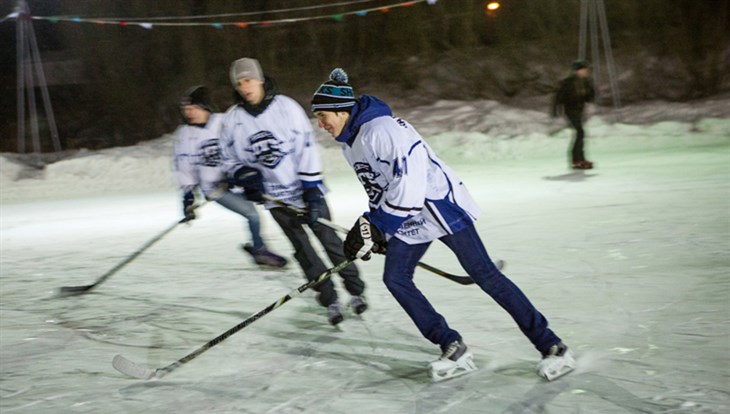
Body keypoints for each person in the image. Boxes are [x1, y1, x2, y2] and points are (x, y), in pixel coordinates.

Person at [311, 68, 575, 382]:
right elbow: (379, 187)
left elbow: (410, 181)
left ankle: (552, 346)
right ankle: (451, 344)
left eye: (323, 115)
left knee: (485, 275)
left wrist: (379, 224)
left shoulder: (381, 130)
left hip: (438, 206)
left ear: (343, 111)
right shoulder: (351, 144)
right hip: (406, 217)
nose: (321, 123)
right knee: (396, 279)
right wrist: (381, 230)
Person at [220, 58, 367, 325]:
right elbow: (228, 158)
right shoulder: (232, 120)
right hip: (275, 199)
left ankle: (355, 291)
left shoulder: (286, 108)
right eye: (240, 82)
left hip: (303, 191)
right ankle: (329, 298)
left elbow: (306, 147)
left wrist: (311, 189)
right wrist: (244, 176)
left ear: (260, 79)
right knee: (303, 250)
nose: (245, 86)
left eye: (249, 80)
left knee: (330, 242)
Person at [173, 85, 287, 268]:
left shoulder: (224, 121)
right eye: (185, 110)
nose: (189, 113)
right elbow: (184, 166)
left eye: (192, 108)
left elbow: (241, 146)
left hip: (239, 181)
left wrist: (241, 173)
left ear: (205, 106)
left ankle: (269, 243)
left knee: (271, 203)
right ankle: (260, 251)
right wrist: (188, 196)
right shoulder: (185, 135)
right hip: (216, 189)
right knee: (252, 214)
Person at [552, 60, 596, 170]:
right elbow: (559, 96)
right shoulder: (569, 82)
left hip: (579, 110)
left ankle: (577, 159)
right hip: (570, 110)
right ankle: (577, 159)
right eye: (584, 70)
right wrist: (556, 109)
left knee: (579, 133)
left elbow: (589, 97)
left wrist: (590, 89)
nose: (587, 71)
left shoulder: (585, 82)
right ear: (578, 71)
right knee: (580, 132)